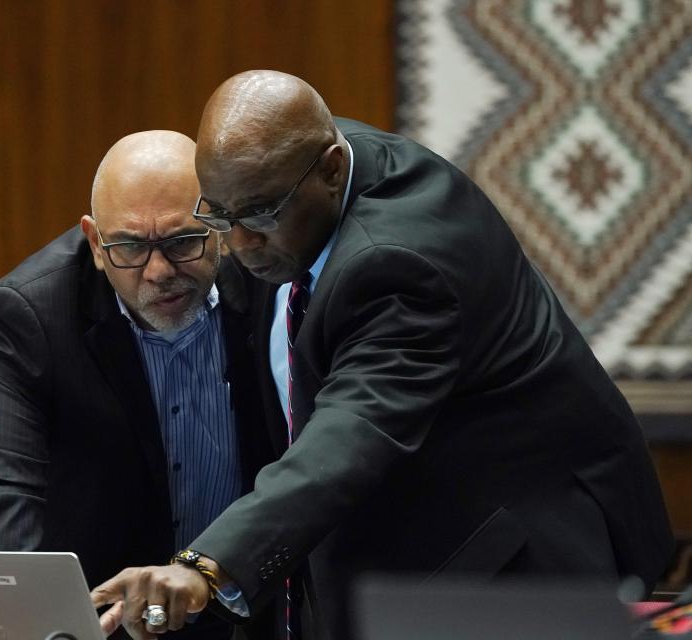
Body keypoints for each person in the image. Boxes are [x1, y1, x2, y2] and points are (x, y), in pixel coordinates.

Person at [91, 71, 675, 640]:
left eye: (260, 215)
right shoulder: (286, 176)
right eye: (219, 215)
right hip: (421, 555)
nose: (239, 244)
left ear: (331, 170)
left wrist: (206, 565)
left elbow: (350, 433)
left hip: (520, 565)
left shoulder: (400, 266)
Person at [0, 130, 275, 639]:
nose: (158, 270)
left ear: (220, 227)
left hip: (246, 610)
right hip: (96, 623)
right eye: (130, 247)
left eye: (182, 241)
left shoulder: (271, 284)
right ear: (96, 242)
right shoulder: (24, 317)